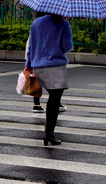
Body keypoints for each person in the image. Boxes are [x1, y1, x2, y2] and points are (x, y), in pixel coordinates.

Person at [25, 13, 73, 146]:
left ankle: (48, 133)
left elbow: (31, 46)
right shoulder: (64, 24)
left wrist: (28, 65)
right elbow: (67, 47)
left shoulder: (36, 23)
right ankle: (49, 133)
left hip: (38, 65)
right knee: (54, 100)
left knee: (50, 98)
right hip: (55, 67)